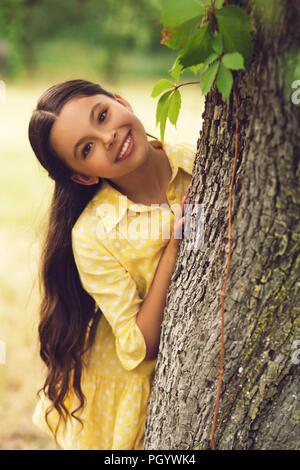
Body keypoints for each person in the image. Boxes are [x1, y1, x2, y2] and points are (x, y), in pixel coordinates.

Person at [28, 79, 195, 450]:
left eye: (102, 115)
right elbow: (141, 346)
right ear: (84, 175)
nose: (108, 138)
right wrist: (173, 248)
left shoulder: (198, 163)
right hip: (135, 382)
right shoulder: (94, 234)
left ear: (121, 101)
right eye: (87, 148)